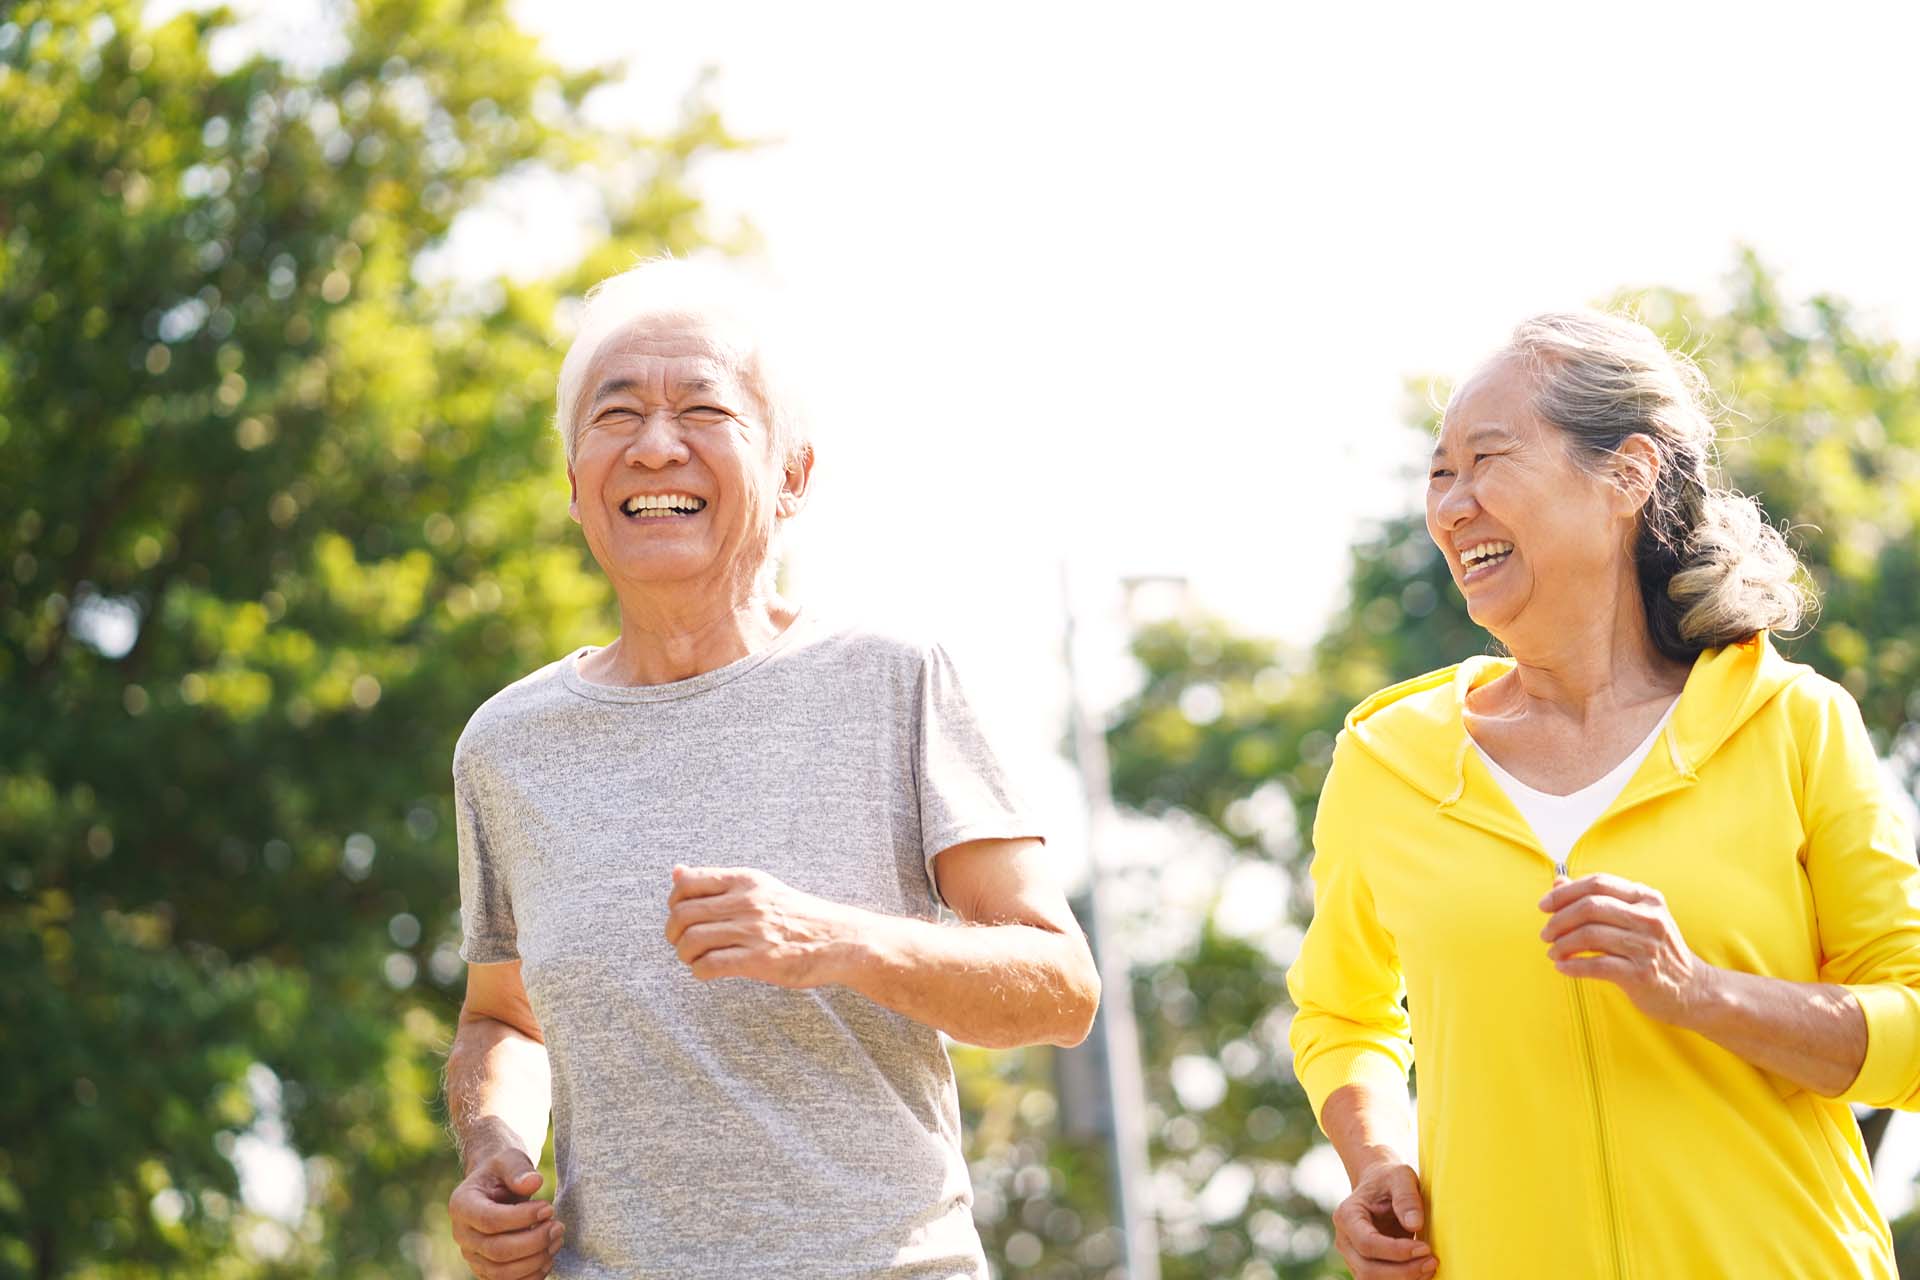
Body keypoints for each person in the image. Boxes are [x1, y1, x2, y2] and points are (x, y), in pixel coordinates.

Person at [441, 258, 1100, 1280]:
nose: (656, 444)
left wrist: (837, 938)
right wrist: (497, 1146)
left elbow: (1061, 988)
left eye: (703, 407)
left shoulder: (894, 677)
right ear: (576, 483)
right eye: (615, 416)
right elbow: (502, 1015)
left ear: (792, 474)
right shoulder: (505, 746)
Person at [1286, 309, 1920, 1278]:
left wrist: (1699, 990)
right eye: (1439, 472)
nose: (1452, 505)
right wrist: (1380, 1156)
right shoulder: (1389, 759)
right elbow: (1342, 1015)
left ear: (1628, 473)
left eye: (1487, 459)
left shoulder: (1791, 724)